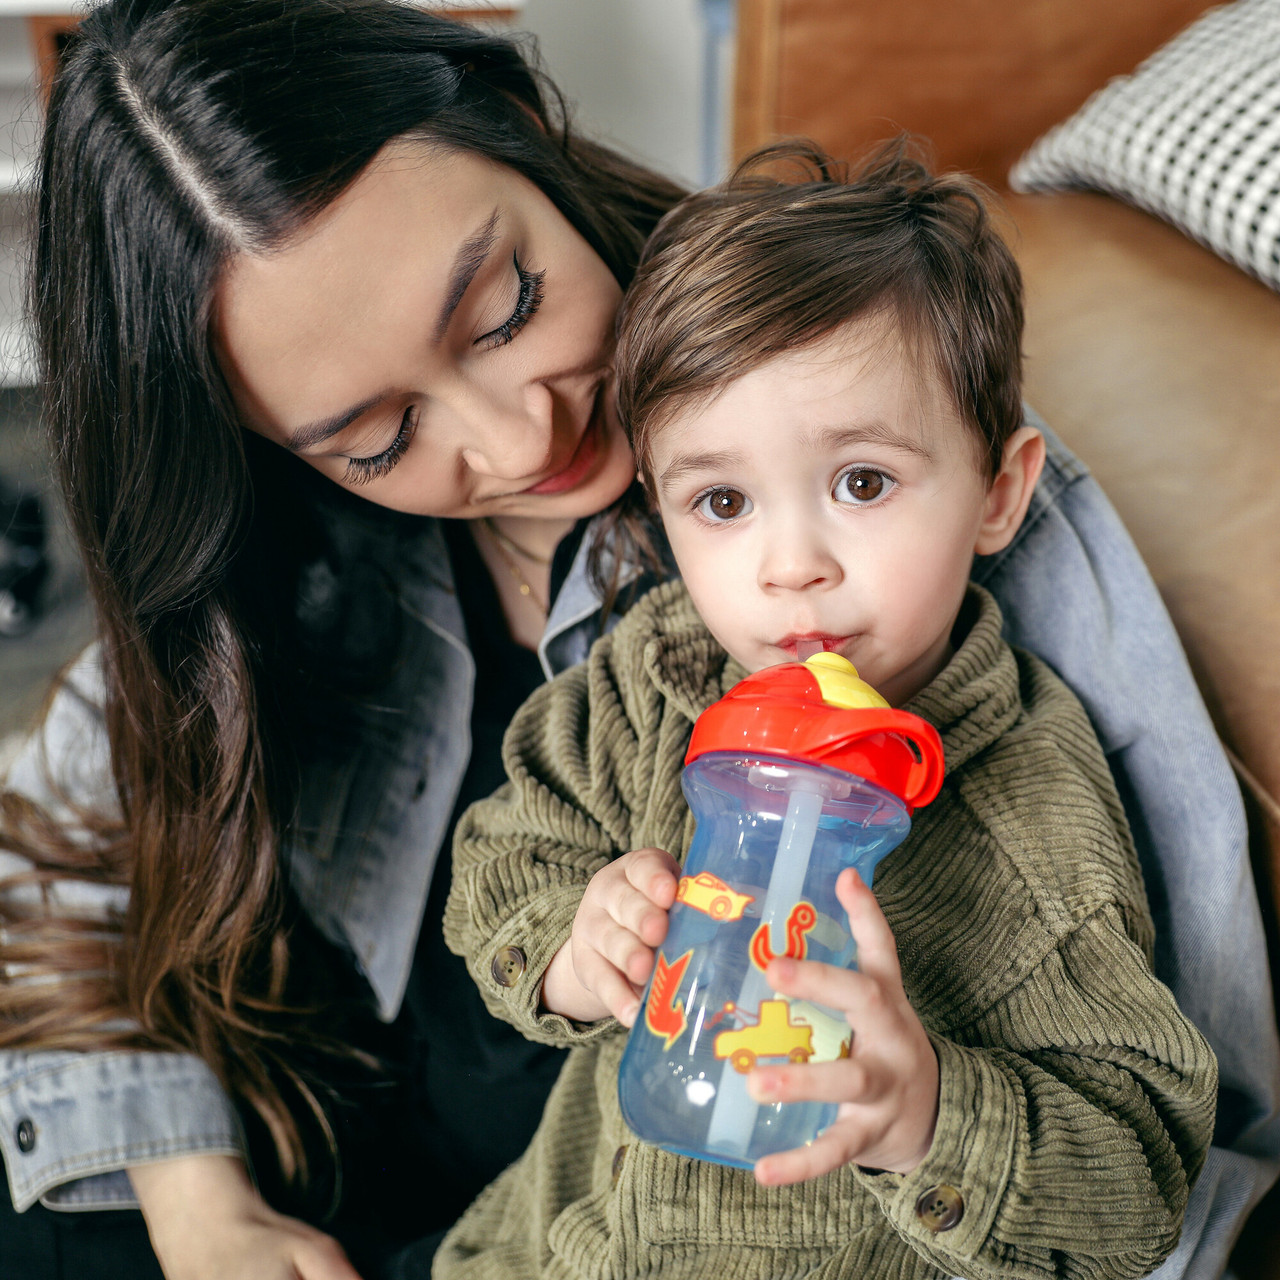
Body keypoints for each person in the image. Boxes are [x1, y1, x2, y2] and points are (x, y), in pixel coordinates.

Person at [0, 1, 1273, 1278]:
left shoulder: (865, 453)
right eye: (376, 440)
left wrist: (934, 1117)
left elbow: (1181, 1136)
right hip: (331, 1137)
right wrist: (195, 1199)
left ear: (518, 132)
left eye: (503, 307)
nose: (516, 444)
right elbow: (74, 844)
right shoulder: (295, 541)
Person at [439, 144, 1219, 1279]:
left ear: (997, 492)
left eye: (861, 481)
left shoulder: (1030, 812)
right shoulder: (651, 675)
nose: (788, 564)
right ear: (658, 514)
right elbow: (506, 850)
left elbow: (1136, 1175)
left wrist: (929, 1112)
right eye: (722, 501)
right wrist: (572, 943)